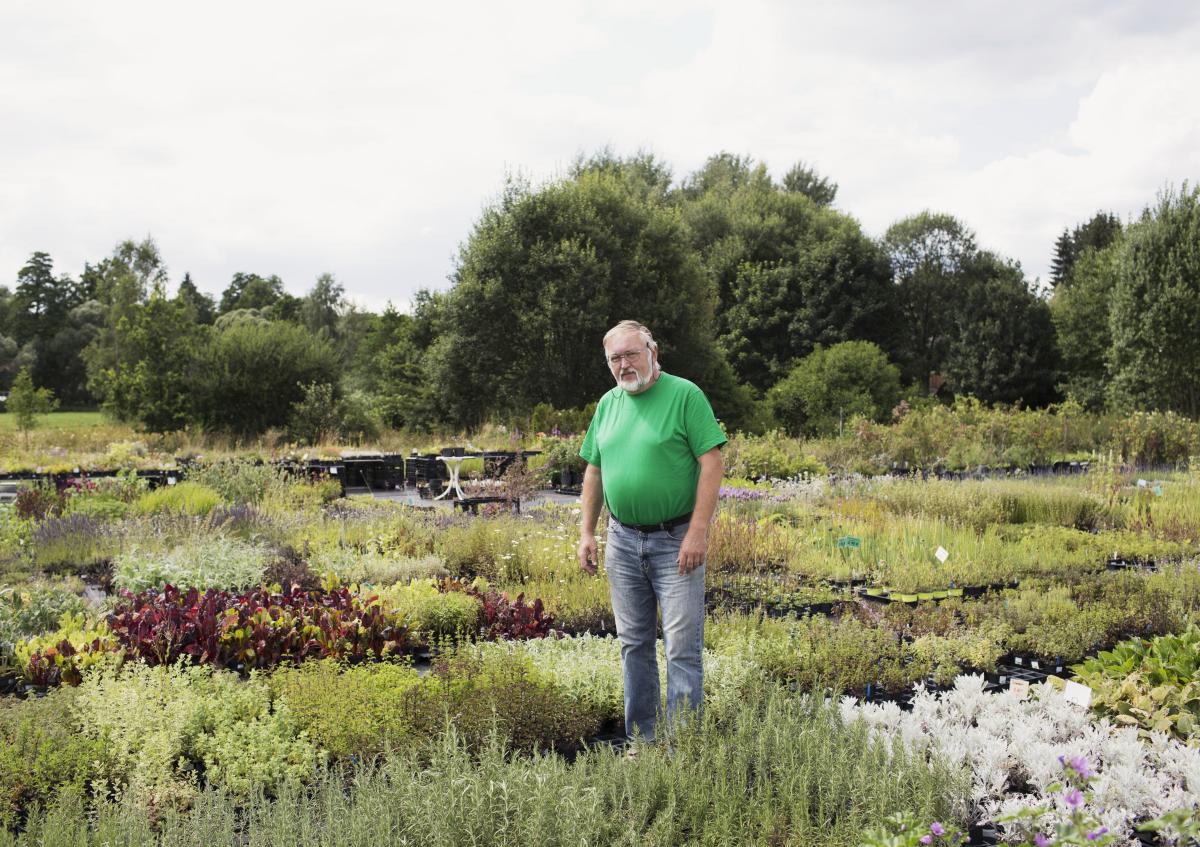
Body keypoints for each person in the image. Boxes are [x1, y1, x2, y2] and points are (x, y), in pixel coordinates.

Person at [577, 320, 726, 744]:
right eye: (615, 359)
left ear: (653, 351)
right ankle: (642, 742)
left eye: (631, 354)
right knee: (634, 646)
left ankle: (682, 749)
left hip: (675, 541)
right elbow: (595, 469)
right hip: (622, 542)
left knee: (682, 650)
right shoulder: (608, 404)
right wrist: (587, 532)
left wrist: (697, 533)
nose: (624, 365)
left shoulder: (684, 396)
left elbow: (711, 464)